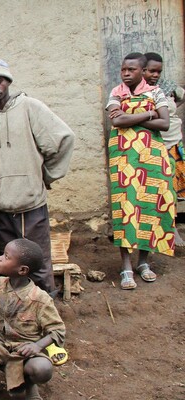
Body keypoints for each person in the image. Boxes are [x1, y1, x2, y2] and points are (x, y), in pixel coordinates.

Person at [0, 59, 75, 295]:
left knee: (36, 260)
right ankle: (16, 310)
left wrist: (45, 176)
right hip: (1, 207)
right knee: (8, 263)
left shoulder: (30, 107)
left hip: (31, 205)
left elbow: (63, 139)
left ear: (8, 81)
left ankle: (46, 309)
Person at [0, 238, 66, 399]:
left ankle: (30, 385)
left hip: (24, 352)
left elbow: (57, 331)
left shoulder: (40, 299)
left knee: (43, 368)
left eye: (6, 256)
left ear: (22, 270)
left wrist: (37, 346)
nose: (0, 258)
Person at [106, 52, 175, 289]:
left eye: (131, 70)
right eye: (123, 69)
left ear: (142, 71)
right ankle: (126, 266)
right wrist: (149, 113)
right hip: (124, 159)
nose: (126, 74)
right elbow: (116, 122)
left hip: (152, 160)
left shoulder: (156, 92)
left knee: (149, 207)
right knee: (124, 209)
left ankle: (143, 262)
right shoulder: (116, 93)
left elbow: (164, 124)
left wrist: (130, 117)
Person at [143, 52, 185, 247]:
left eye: (158, 71)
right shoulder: (139, 91)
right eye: (151, 71)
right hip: (155, 144)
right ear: (142, 70)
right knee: (158, 188)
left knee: (173, 189)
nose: (155, 75)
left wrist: (172, 107)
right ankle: (159, 228)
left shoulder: (166, 87)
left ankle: (173, 227)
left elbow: (181, 96)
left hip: (174, 142)